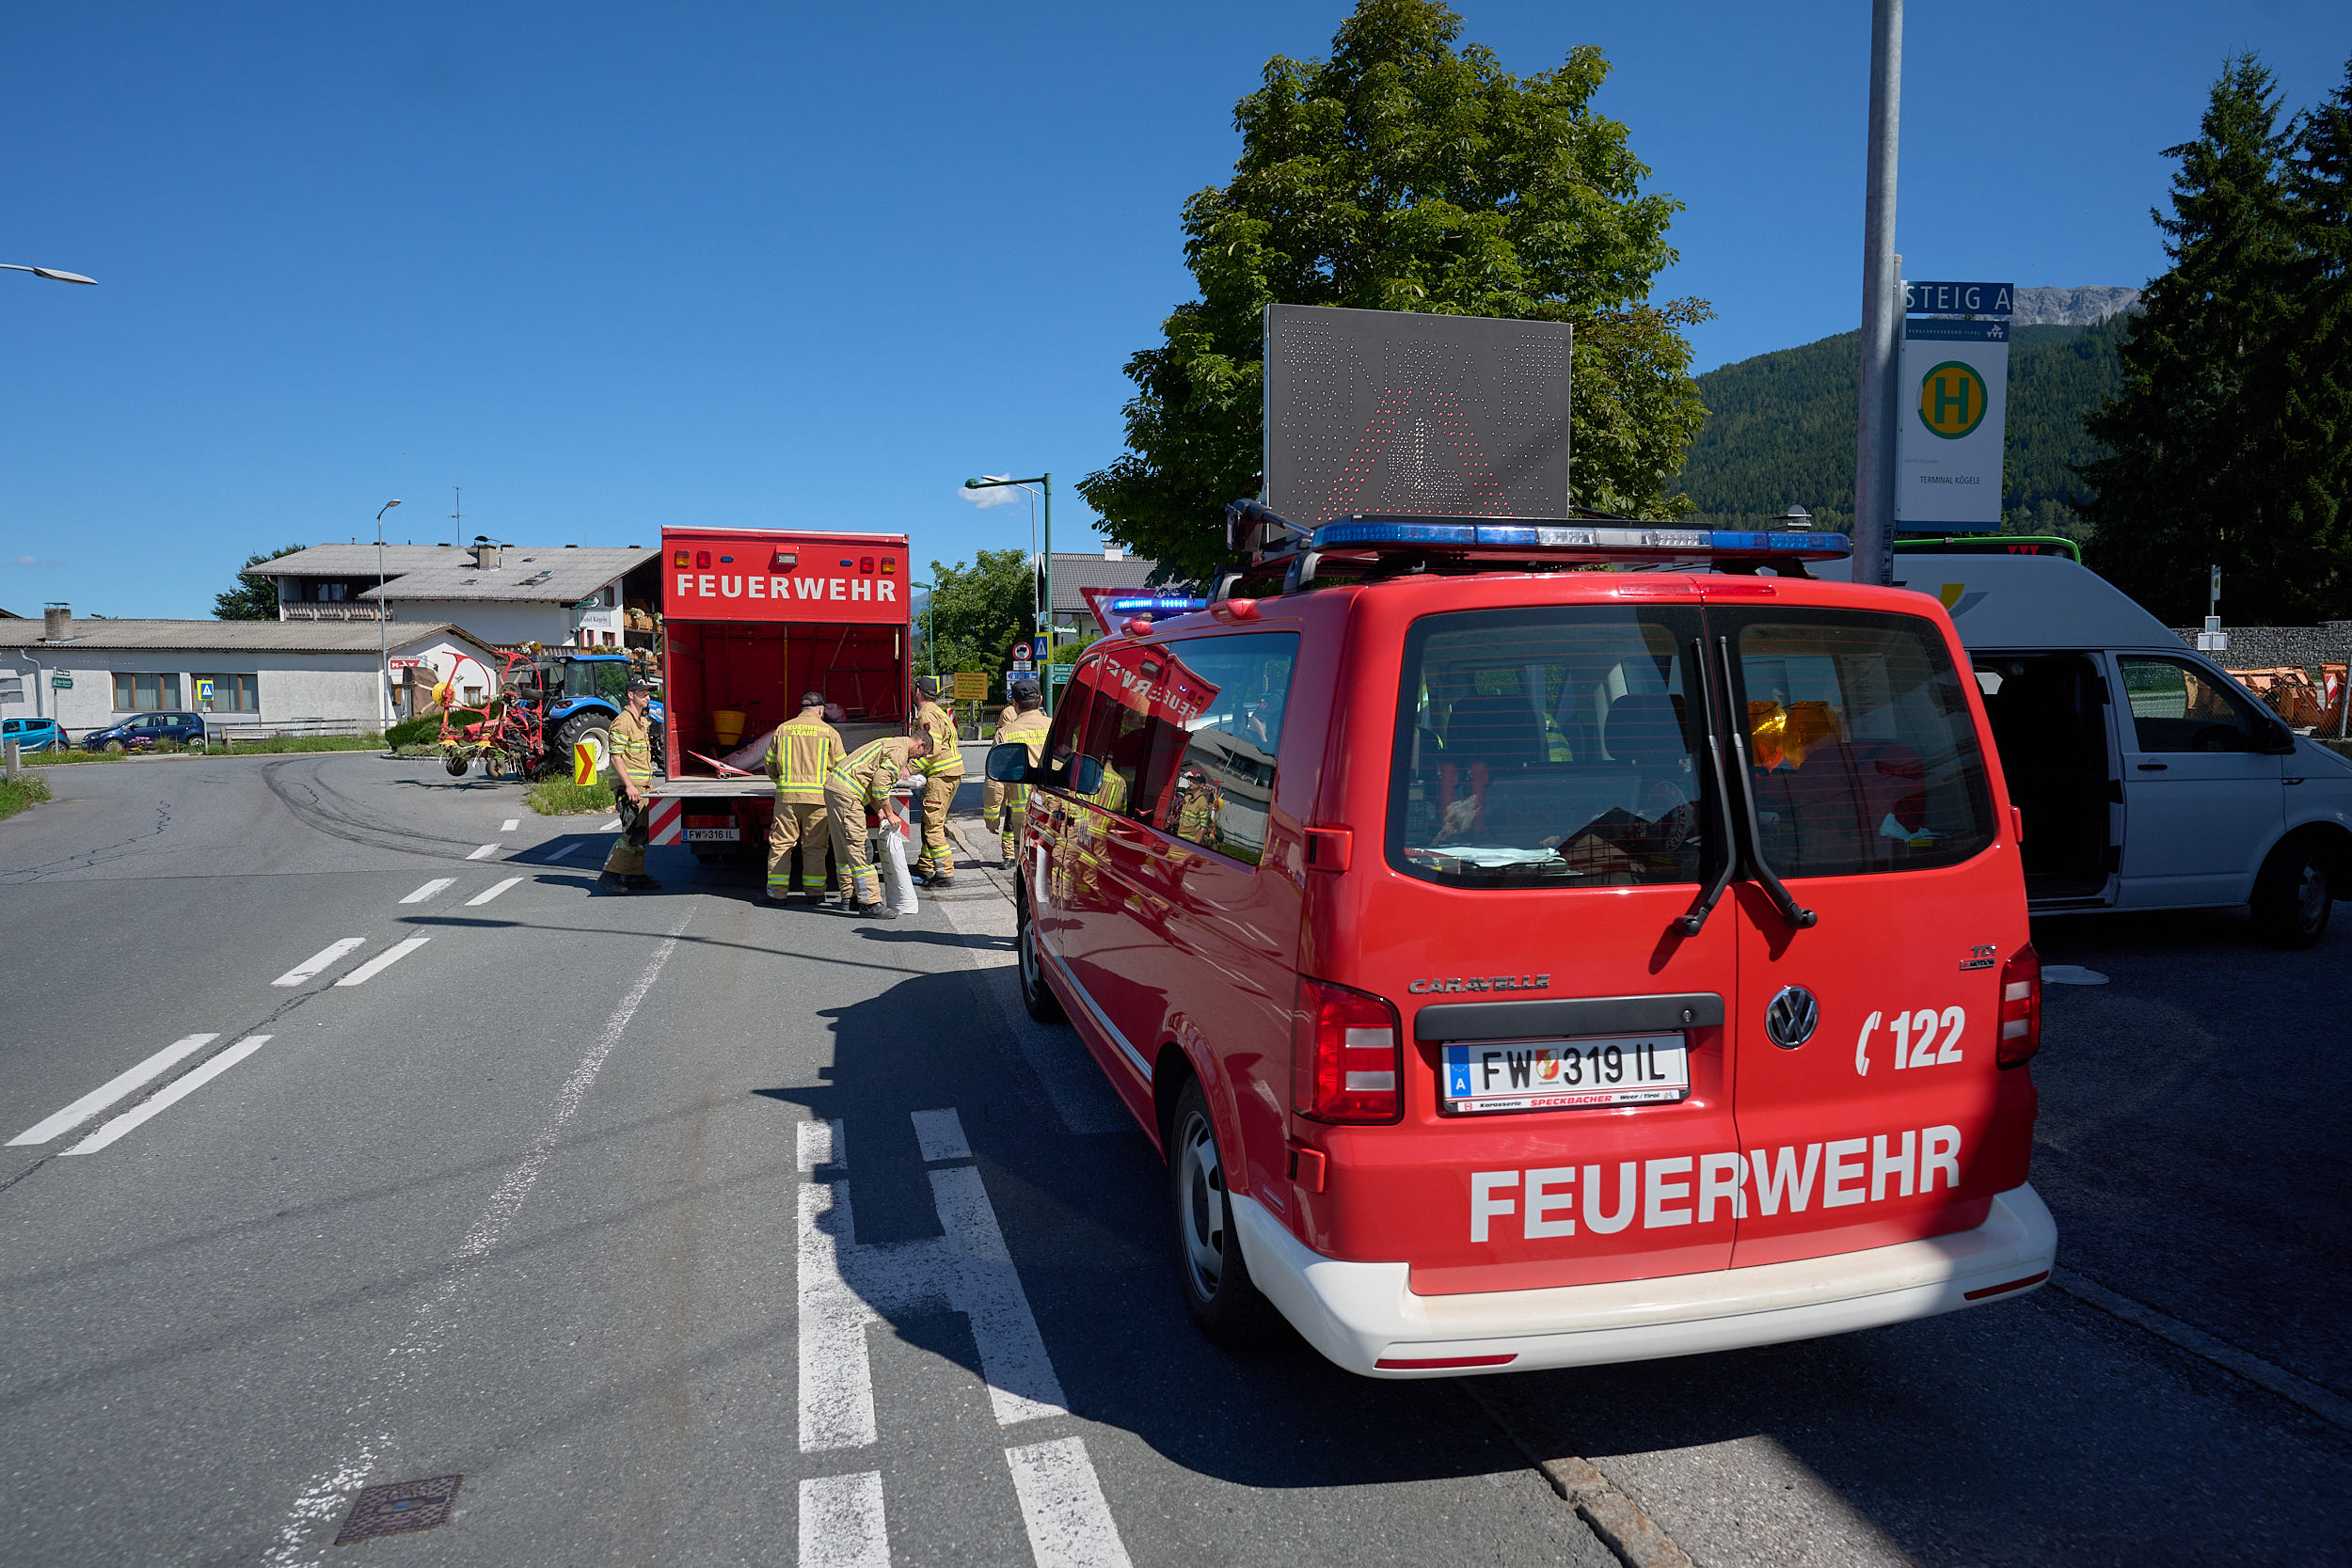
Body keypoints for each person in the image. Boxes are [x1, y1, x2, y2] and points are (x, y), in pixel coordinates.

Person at [823, 729, 933, 918]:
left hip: (835, 789)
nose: (916, 759)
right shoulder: (900, 753)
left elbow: (871, 782)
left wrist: (880, 811)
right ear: (920, 745)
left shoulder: (890, 743)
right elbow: (881, 784)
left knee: (844, 848)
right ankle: (870, 902)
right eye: (921, 754)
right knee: (859, 849)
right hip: (848, 795)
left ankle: (848, 897)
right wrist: (890, 814)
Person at [764, 690, 845, 905]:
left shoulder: (783, 729)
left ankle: (777, 895)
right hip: (818, 800)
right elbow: (841, 767)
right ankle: (815, 894)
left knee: (781, 845)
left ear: (802, 709)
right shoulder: (829, 732)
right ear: (821, 709)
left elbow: (770, 764)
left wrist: (780, 783)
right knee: (815, 847)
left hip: (787, 798)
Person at [598, 678, 661, 893]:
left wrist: (647, 785)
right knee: (632, 832)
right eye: (643, 693)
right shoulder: (623, 722)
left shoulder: (639, 721)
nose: (648, 696)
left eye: (648, 693)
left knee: (641, 832)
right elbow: (616, 757)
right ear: (630, 695)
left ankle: (635, 876)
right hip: (631, 788)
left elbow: (640, 759)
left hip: (641, 787)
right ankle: (609, 876)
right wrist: (629, 787)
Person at [908, 676, 964, 887]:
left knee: (932, 826)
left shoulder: (927, 714)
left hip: (941, 776)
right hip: (949, 774)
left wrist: (908, 769)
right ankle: (925, 866)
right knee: (931, 822)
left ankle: (945, 873)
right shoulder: (938, 711)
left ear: (917, 691)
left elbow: (933, 748)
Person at [995, 681, 1052, 864]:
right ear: (1041, 700)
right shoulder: (1055, 727)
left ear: (1014, 703)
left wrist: (992, 816)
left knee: (1027, 865)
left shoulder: (1005, 733)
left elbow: (995, 780)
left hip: (1023, 814)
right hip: (1056, 809)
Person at [983, 693, 1023, 833]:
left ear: (1014, 701)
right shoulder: (1047, 722)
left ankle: (1009, 855)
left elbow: (995, 776)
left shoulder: (1006, 721)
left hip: (1015, 787)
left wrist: (992, 820)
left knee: (1011, 825)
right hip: (1043, 798)